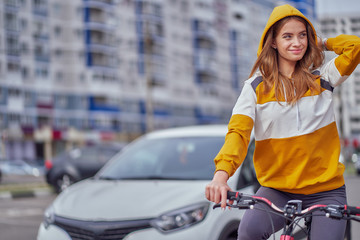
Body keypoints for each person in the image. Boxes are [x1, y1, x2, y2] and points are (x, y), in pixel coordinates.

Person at [205, 4, 360, 240]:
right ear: (273, 42)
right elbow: (238, 133)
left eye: (302, 35)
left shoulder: (323, 79)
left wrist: (323, 42)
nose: (297, 42)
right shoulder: (255, 87)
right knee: (248, 232)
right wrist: (221, 175)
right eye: (287, 36)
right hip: (278, 191)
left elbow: (355, 47)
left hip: (326, 191)